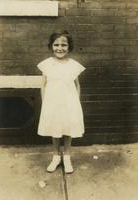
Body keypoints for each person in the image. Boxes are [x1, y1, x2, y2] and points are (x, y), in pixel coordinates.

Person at [37, 30, 85, 173]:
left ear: (69, 46)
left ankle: (67, 157)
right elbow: (43, 84)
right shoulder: (47, 64)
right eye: (56, 44)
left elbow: (77, 85)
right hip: (52, 103)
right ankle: (56, 156)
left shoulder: (73, 65)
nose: (60, 48)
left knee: (68, 129)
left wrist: (77, 103)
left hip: (69, 102)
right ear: (51, 46)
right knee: (55, 129)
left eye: (63, 45)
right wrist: (45, 103)